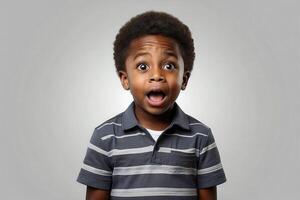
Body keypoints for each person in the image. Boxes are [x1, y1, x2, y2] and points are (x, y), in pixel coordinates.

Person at [77, 11, 226, 200]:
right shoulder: (105, 137)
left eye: (169, 66)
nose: (156, 75)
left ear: (184, 79)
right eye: (143, 66)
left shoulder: (201, 136)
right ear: (125, 79)